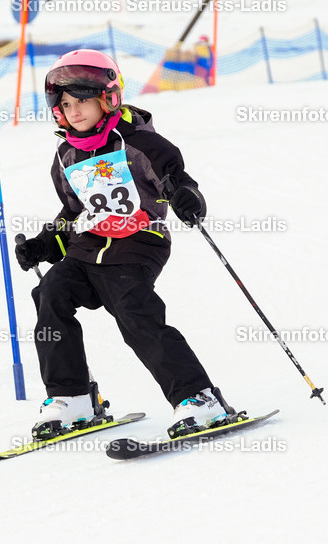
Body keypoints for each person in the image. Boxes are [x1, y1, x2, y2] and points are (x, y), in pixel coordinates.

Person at [14, 49, 235, 442]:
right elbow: (73, 210)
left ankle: (198, 399)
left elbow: (179, 182)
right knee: (50, 293)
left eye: (82, 100)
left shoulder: (141, 144)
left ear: (108, 97)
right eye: (65, 103)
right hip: (88, 246)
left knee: (133, 309)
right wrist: (46, 243)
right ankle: (73, 397)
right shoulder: (66, 154)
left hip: (139, 240)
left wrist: (188, 200)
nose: (75, 110)